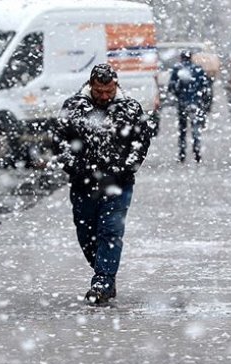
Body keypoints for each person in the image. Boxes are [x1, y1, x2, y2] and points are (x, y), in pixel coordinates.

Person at [54, 64, 156, 304]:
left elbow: (140, 143)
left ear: (116, 86)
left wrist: (125, 168)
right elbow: (59, 141)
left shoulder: (130, 109)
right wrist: (74, 167)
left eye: (108, 91)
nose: (103, 96)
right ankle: (103, 269)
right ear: (91, 86)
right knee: (86, 234)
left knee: (110, 232)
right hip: (83, 184)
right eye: (99, 91)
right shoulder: (73, 107)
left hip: (117, 184)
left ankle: (103, 281)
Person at [168, 50, 213, 163]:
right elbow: (206, 87)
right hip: (196, 102)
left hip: (182, 103)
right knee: (195, 127)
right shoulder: (198, 69)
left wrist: (177, 95)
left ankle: (182, 153)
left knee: (183, 129)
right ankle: (196, 151)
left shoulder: (177, 69)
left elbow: (172, 86)